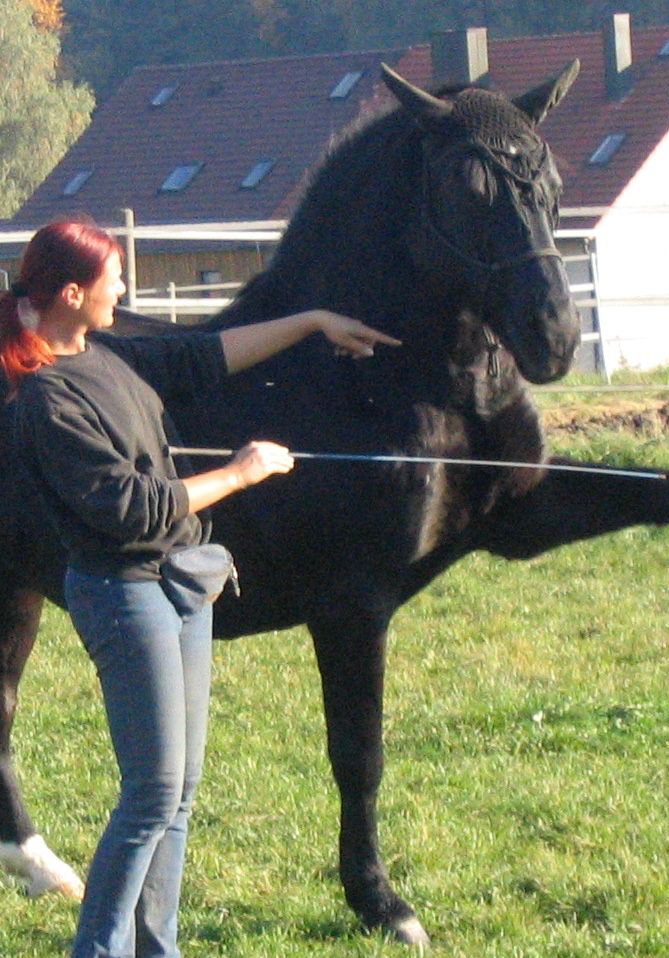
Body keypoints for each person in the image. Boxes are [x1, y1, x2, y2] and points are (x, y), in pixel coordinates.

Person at [0, 219, 399, 958]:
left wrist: (310, 323)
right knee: (151, 795)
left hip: (181, 587)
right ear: (71, 291)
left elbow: (201, 357)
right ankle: (99, 949)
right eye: (114, 277)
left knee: (178, 797)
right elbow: (131, 509)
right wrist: (242, 473)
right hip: (126, 594)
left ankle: (160, 948)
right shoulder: (46, 400)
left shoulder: (107, 353)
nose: (125, 288)